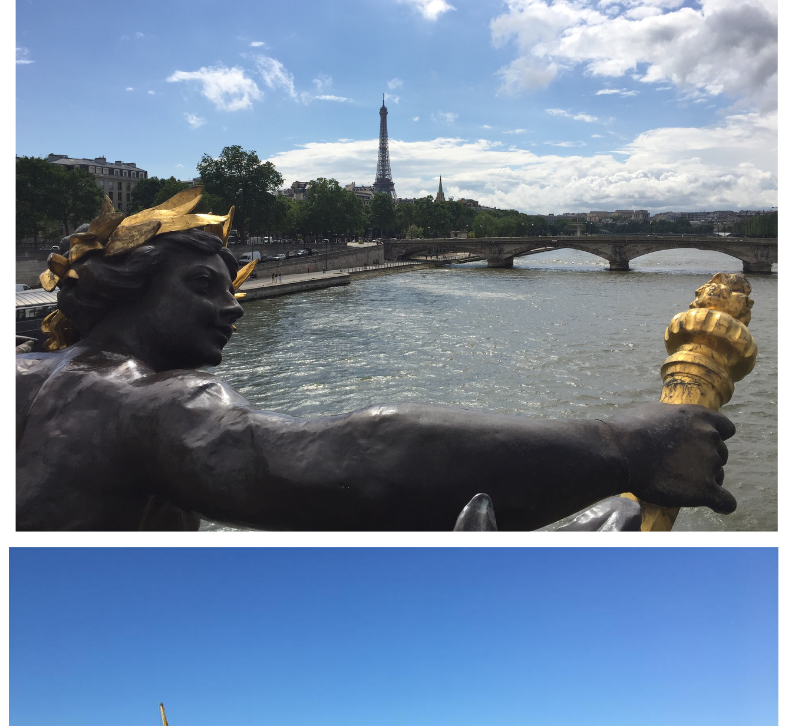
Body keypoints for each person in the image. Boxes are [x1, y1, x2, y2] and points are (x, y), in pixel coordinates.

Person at [17, 192, 737, 534]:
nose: (232, 307)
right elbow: (351, 459)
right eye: (205, 285)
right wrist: (624, 446)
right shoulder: (141, 402)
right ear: (123, 285)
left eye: (234, 288)